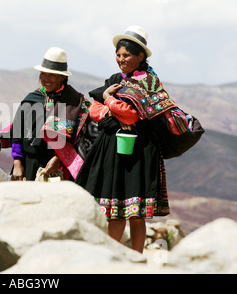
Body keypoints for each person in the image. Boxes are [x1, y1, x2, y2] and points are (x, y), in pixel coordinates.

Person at [75, 26, 189, 253]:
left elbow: (131, 114)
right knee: (114, 208)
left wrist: (108, 100)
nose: (121, 59)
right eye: (118, 55)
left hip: (140, 151)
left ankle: (136, 259)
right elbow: (93, 107)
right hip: (112, 148)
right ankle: (110, 256)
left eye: (126, 55)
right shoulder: (116, 79)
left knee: (135, 212)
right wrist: (108, 108)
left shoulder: (148, 83)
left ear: (140, 56)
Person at [0, 47, 97, 181]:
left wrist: (57, 160)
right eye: (43, 74)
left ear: (63, 77)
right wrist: (17, 163)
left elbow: (80, 137)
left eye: (52, 75)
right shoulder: (32, 99)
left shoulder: (73, 102)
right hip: (26, 165)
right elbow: (17, 133)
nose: (46, 79)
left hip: (56, 168)